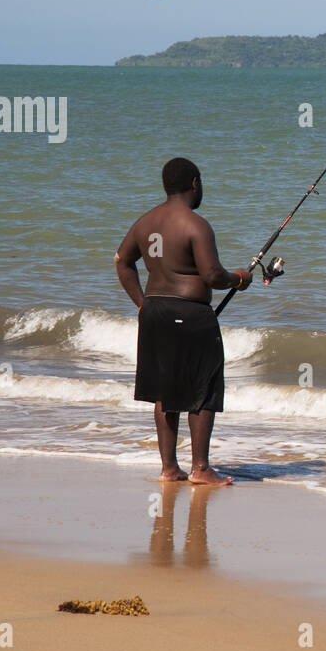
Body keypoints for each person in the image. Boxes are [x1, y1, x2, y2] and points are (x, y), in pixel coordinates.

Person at [115, 157, 251, 485]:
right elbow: (212, 275)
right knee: (202, 388)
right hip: (190, 313)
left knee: (166, 390)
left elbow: (122, 262)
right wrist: (239, 278)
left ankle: (169, 468)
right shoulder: (196, 224)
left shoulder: (145, 223)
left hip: (155, 313)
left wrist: (141, 304)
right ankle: (201, 468)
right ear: (194, 184)